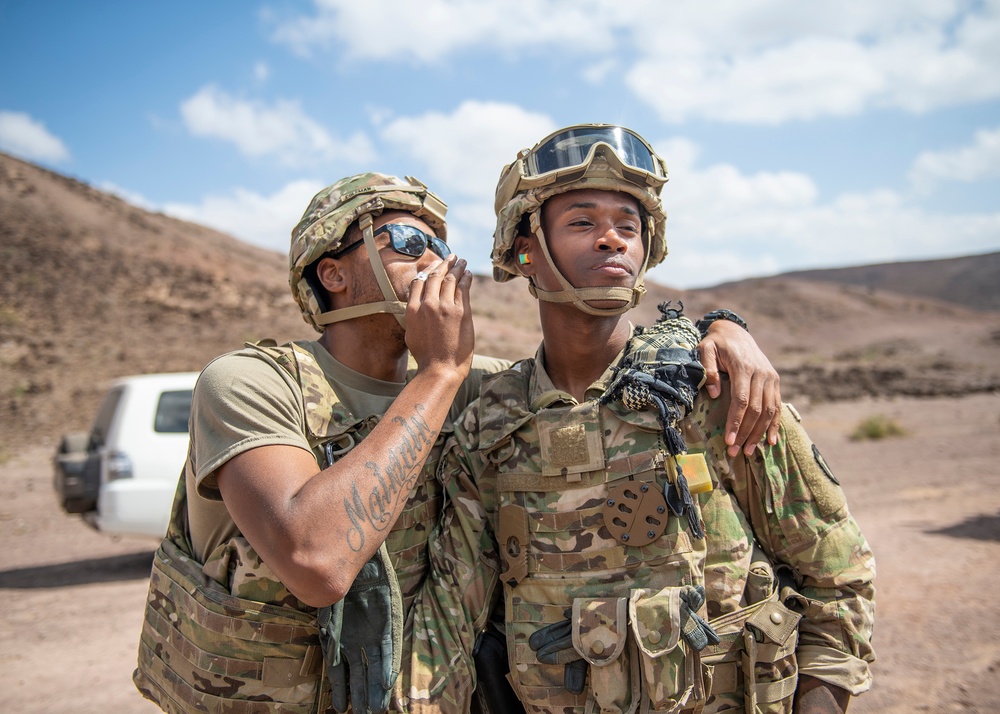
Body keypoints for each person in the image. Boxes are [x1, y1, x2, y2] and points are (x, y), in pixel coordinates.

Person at [132, 171, 786, 714]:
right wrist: (440, 371)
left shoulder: (473, 388)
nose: (438, 262)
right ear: (333, 274)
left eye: (443, 246)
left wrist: (721, 330)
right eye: (408, 241)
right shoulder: (249, 381)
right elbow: (316, 559)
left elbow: (587, 368)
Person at [412, 124, 876, 714]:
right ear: (525, 251)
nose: (612, 240)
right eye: (582, 223)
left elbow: (838, 578)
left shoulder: (712, 394)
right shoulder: (491, 429)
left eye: (628, 226)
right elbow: (452, 624)